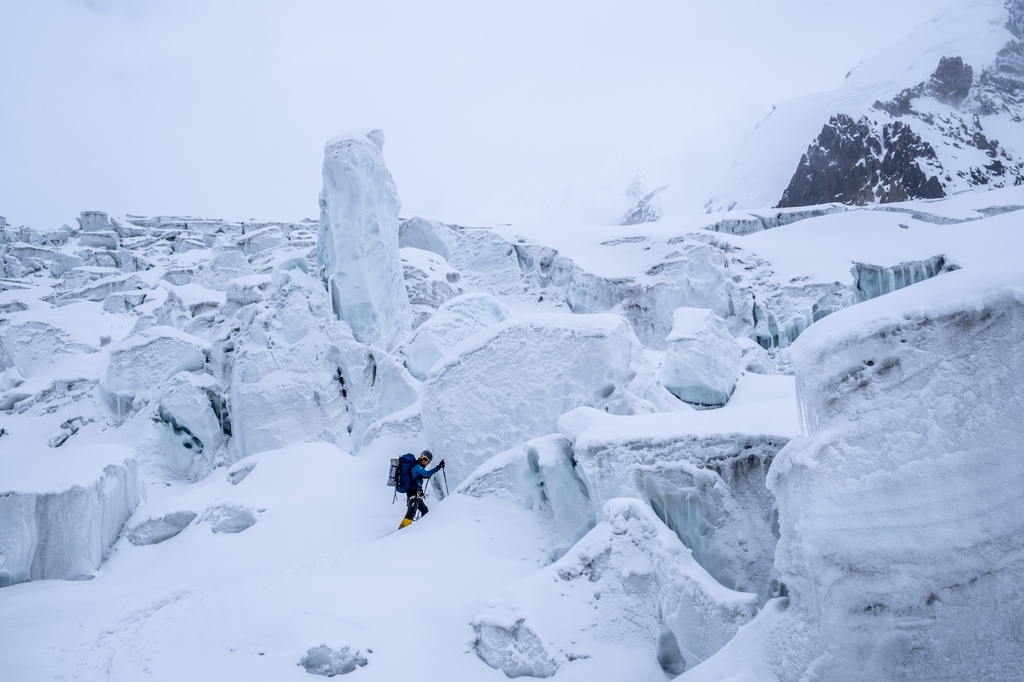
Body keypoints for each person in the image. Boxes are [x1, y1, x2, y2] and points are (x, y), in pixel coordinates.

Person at [400, 450, 445, 529]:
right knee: (411, 514)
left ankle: (423, 528)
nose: (426, 462)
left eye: (428, 461)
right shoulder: (418, 467)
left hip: (416, 494)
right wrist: (438, 467)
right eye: (425, 459)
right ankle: (401, 531)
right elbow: (426, 473)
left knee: (424, 510)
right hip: (413, 494)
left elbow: (419, 476)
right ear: (421, 458)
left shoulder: (417, 467)